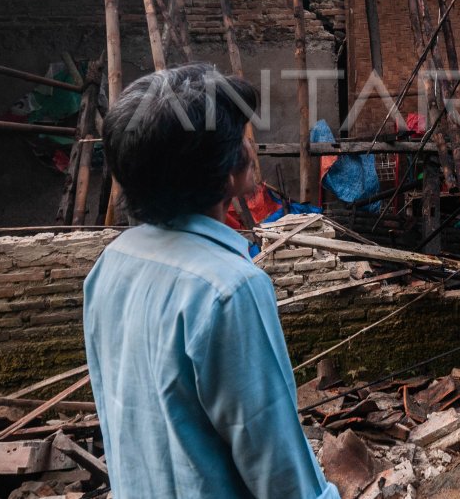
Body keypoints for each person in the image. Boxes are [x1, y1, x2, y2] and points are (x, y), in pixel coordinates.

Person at [84, 64, 338, 499]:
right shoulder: (229, 290)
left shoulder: (112, 264)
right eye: (241, 138)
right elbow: (282, 475)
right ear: (223, 173)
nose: (250, 146)